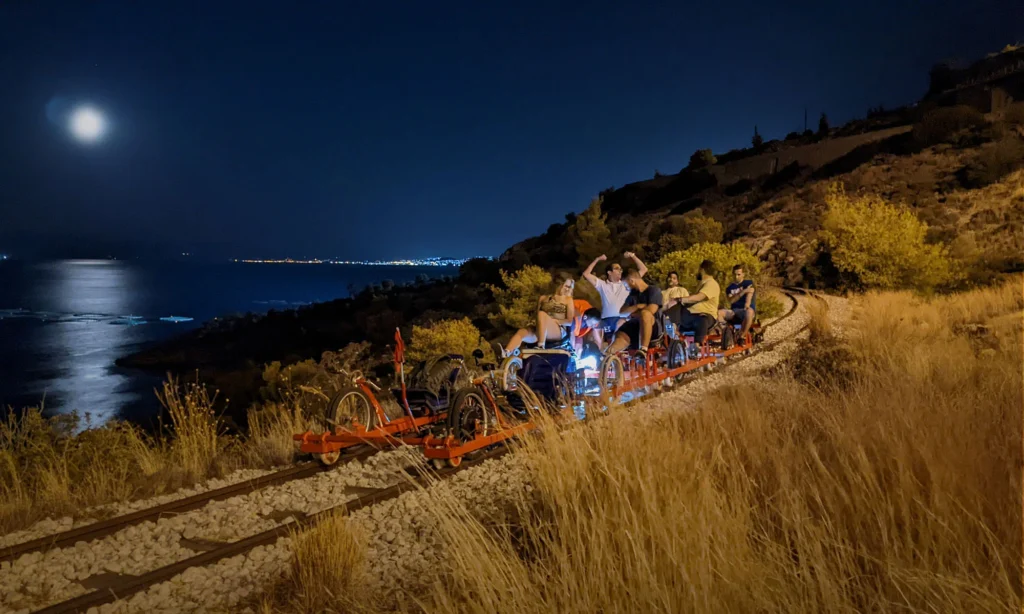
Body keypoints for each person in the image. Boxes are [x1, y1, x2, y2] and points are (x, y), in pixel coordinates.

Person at [500, 274, 576, 356]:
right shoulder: (543, 298)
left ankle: (541, 346)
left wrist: (556, 321)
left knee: (542, 313)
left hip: (557, 330)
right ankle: (507, 352)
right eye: (566, 286)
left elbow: (569, 322)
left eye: (569, 287)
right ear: (559, 284)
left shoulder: (568, 300)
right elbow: (536, 316)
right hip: (541, 328)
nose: (567, 289)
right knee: (522, 332)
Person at [582, 252, 647, 339]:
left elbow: (643, 269)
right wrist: (597, 259)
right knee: (596, 333)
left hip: (622, 319)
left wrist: (633, 256)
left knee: (620, 340)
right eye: (617, 268)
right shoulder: (602, 284)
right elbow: (586, 274)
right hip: (606, 320)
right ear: (609, 272)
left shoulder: (626, 283)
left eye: (621, 269)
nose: (620, 270)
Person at [605, 268, 663, 357]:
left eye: (625, 284)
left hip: (652, 326)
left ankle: (643, 349)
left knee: (645, 314)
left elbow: (651, 310)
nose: (625, 287)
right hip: (635, 325)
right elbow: (622, 312)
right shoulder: (633, 295)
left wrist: (632, 314)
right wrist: (637, 306)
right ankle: (608, 355)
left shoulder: (654, 291)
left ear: (631, 281)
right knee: (621, 332)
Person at [674, 259, 721, 350]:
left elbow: (699, 297)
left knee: (701, 319)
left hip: (706, 316)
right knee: (673, 314)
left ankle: (696, 345)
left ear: (702, 270)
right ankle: (674, 340)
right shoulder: (702, 283)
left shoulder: (711, 284)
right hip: (692, 314)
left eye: (699, 269)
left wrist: (681, 299)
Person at [719, 264, 756, 343]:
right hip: (734, 311)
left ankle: (742, 336)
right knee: (719, 313)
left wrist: (747, 303)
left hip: (746, 310)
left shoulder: (748, 283)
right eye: (735, 275)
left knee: (749, 312)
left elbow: (750, 294)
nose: (736, 277)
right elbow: (731, 300)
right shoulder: (729, 288)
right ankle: (727, 333)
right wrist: (743, 291)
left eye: (738, 274)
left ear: (743, 274)